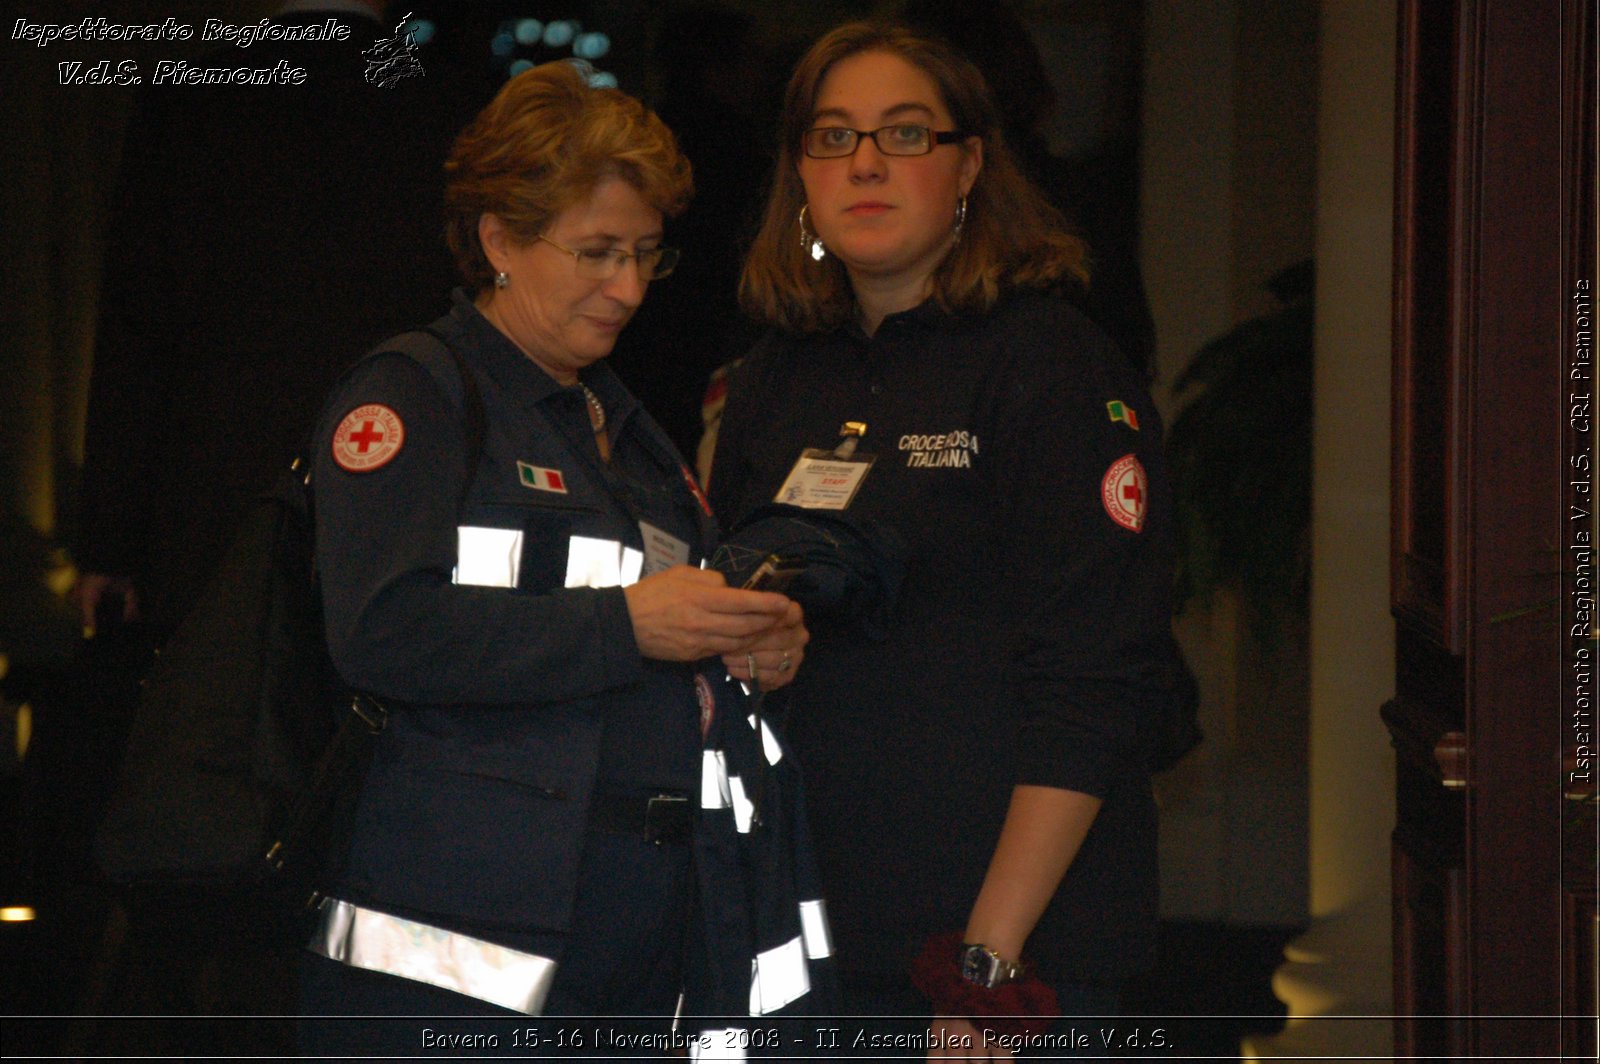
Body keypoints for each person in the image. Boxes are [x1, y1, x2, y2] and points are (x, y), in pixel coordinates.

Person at [296, 59, 810, 1055]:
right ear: (499, 241)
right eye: (596, 251)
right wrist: (630, 625)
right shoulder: (417, 396)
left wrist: (748, 642)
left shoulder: (624, 427)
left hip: (630, 932)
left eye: (647, 255)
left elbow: (665, 628)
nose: (626, 287)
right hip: (451, 949)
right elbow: (380, 632)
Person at [709, 22, 1178, 1058]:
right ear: (797, 172)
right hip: (809, 931)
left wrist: (986, 970)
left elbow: (1093, 679)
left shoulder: (1051, 367)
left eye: (904, 134)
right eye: (832, 137)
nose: (864, 162)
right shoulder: (776, 375)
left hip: (1001, 953)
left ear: (969, 164)